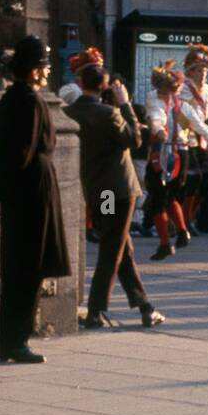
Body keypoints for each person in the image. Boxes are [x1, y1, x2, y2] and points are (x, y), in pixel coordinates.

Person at [64, 49, 164, 329]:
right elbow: (134, 140)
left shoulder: (69, 112)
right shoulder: (109, 113)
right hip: (117, 189)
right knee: (112, 247)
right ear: (104, 86)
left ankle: (145, 306)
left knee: (121, 246)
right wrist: (125, 105)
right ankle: (96, 310)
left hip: (96, 189)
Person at [0, 35, 71, 364]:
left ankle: (9, 339)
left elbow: (3, 150)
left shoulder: (11, 98)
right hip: (33, 193)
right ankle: (16, 340)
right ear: (34, 71)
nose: (47, 73)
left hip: (19, 192)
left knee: (16, 268)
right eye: (44, 67)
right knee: (29, 268)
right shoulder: (31, 101)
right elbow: (21, 152)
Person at [144, 61, 191, 261]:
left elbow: (158, 119)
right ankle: (181, 231)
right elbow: (158, 119)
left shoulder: (168, 102)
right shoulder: (172, 103)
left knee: (158, 200)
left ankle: (165, 243)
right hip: (175, 151)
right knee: (168, 198)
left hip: (166, 152)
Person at [179, 44, 208, 236]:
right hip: (184, 137)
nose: (203, 73)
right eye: (199, 69)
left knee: (207, 180)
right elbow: (191, 118)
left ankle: (190, 216)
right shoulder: (182, 89)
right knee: (190, 179)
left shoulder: (206, 90)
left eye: (206, 70)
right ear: (190, 70)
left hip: (202, 137)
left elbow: (205, 117)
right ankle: (182, 220)